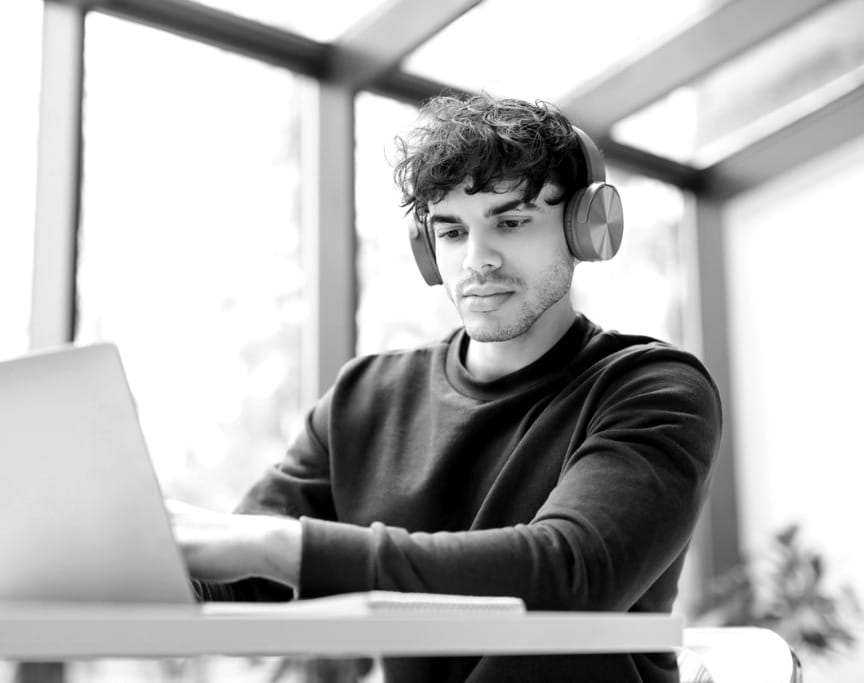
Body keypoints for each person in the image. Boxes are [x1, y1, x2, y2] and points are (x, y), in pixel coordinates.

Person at [168, 94, 722, 682]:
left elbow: (569, 573)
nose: (476, 260)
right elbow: (239, 582)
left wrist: (282, 546)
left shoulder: (654, 389)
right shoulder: (365, 397)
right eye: (452, 231)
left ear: (585, 230)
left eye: (510, 222)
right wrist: (128, 556)